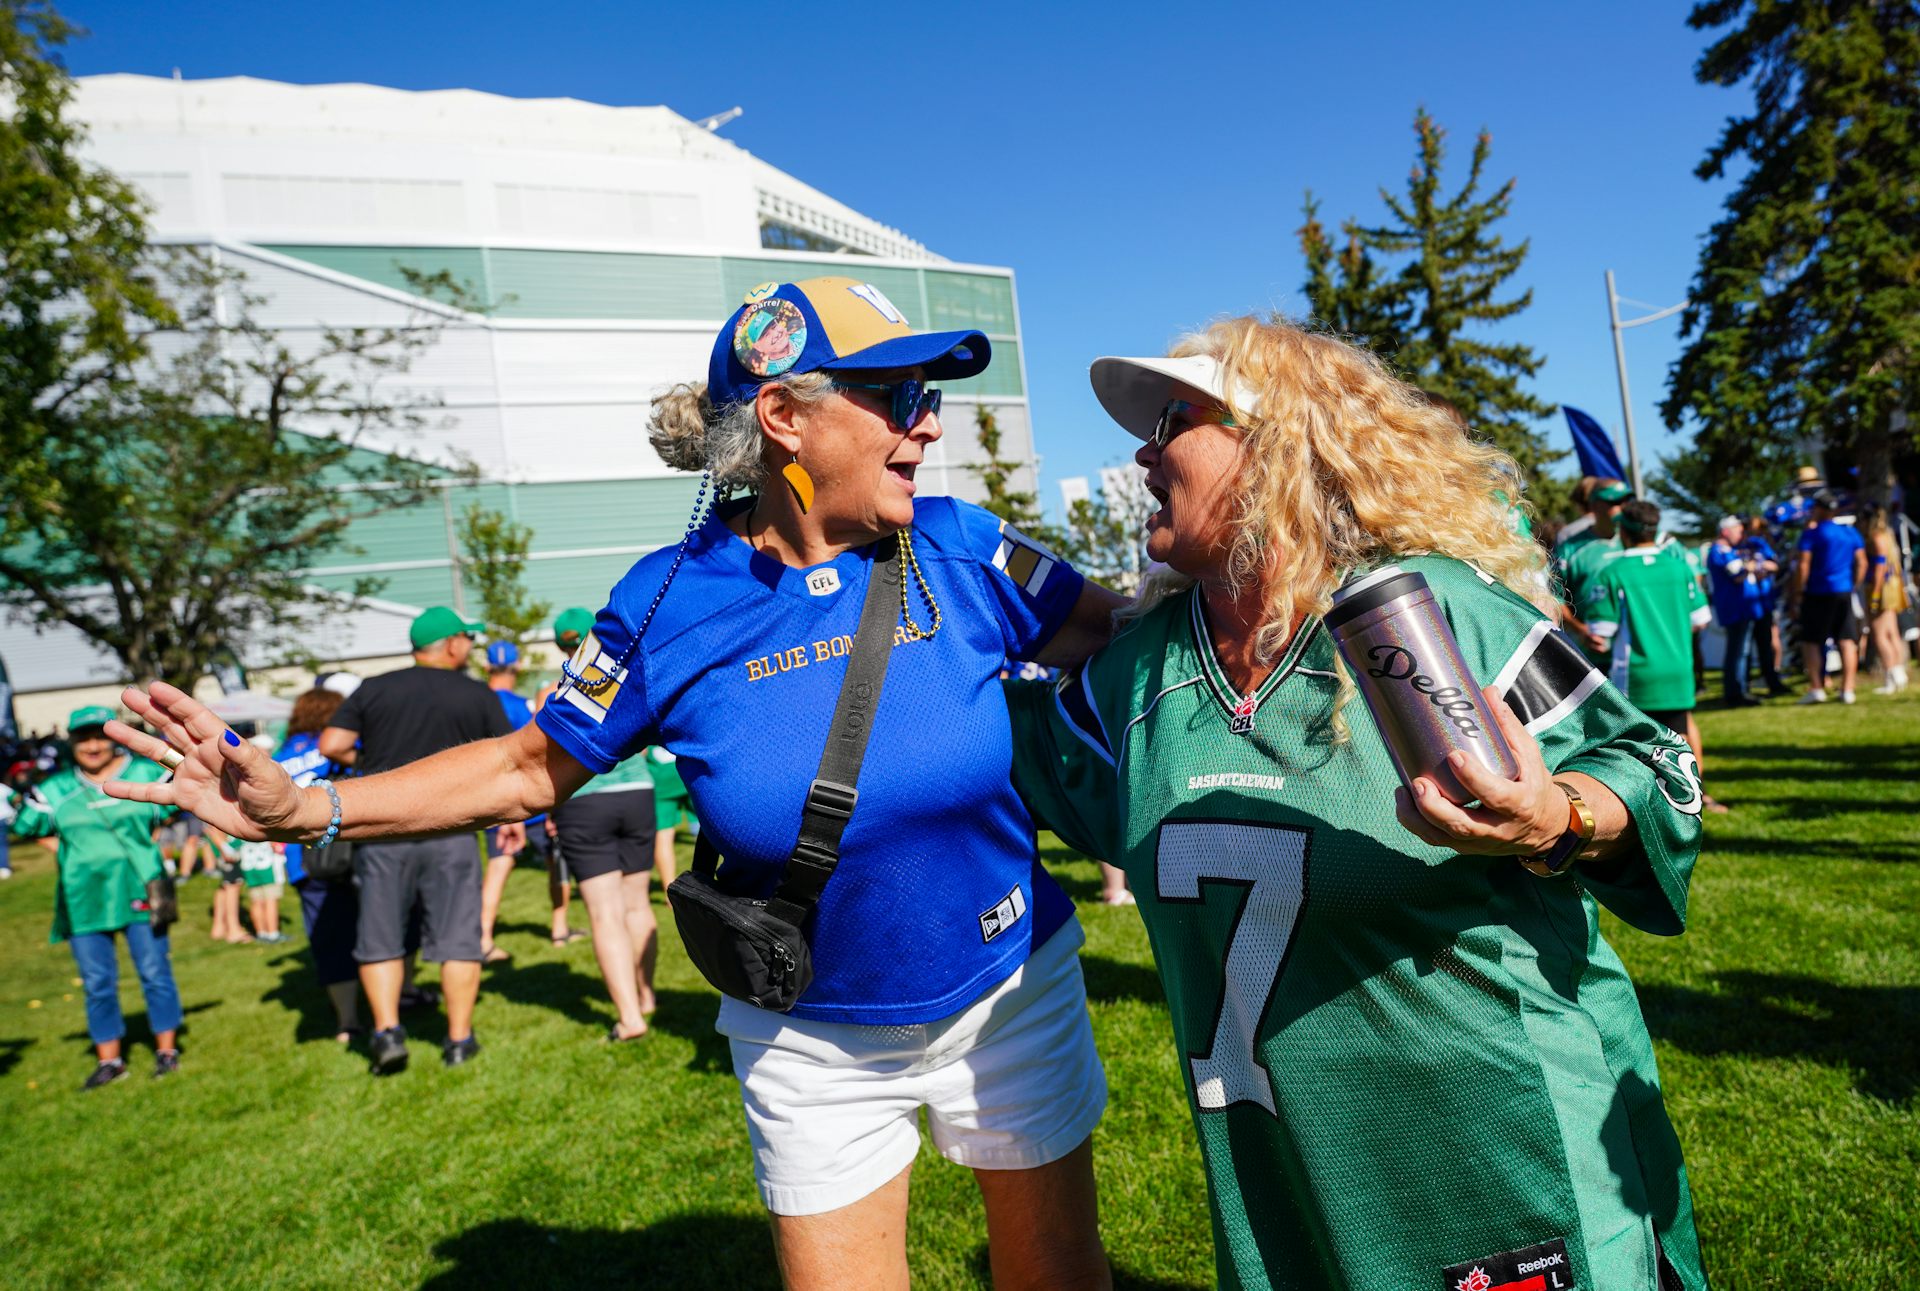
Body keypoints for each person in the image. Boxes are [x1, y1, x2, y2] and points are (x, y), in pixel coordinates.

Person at [104, 276, 1125, 1291]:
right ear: (784, 418)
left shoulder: (962, 544)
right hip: (808, 1033)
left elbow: (1124, 636)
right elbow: (523, 767)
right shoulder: (667, 598)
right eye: (900, 397)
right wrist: (306, 807)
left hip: (1012, 990)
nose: (930, 427)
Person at [1008, 318, 1710, 1291]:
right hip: (1290, 1182)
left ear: (1277, 445)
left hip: (1504, 1151)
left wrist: (1560, 815)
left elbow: (1652, 762)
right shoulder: (1141, 673)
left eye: (1173, 419)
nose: (1141, 449)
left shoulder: (1431, 615)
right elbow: (996, 757)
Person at [323, 606, 518, 1074]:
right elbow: (505, 761)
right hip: (450, 829)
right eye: (466, 640)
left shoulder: (375, 688)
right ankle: (458, 1040)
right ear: (451, 644)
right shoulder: (477, 694)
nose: (469, 648)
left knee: (380, 936)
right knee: (457, 937)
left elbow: (331, 744)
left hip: (382, 829)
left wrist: (367, 760)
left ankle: (387, 1032)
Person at [12, 706, 184, 1089]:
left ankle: (167, 1051)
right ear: (71, 741)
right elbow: (26, 825)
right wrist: (67, 851)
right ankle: (111, 1062)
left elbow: (176, 810)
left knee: (155, 972)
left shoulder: (144, 773)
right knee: (96, 981)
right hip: (83, 896)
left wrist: (151, 847)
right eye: (83, 737)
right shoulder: (55, 788)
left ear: (114, 738)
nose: (92, 745)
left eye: (100, 736)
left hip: (140, 890)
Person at [1583, 500, 1727, 814]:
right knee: (1683, 733)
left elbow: (1600, 634)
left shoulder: (1611, 572)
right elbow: (1700, 619)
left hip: (1636, 675)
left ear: (1623, 530)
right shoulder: (1679, 567)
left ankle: (1643, 807)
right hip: (1679, 669)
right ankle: (1695, 799)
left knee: (1635, 745)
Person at [274, 687, 363, 1042]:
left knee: (328, 938)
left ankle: (347, 1021)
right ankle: (389, 1002)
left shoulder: (280, 755)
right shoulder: (335, 746)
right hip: (344, 851)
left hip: (302, 861)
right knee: (368, 926)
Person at [479, 639, 574, 960]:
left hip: (493, 801)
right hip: (530, 801)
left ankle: (484, 938)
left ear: (487, 666)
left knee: (497, 870)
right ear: (517, 666)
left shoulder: (477, 703)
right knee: (555, 865)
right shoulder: (524, 706)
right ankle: (559, 929)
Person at [1795, 490, 1868, 704]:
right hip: (1843, 591)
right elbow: (1862, 563)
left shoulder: (1812, 534)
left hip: (1818, 592)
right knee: (1846, 640)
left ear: (1819, 509)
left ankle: (1816, 688)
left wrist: (1798, 591)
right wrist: (1853, 585)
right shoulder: (1849, 532)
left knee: (1811, 642)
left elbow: (1803, 564)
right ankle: (1847, 689)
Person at [1553, 478, 1631, 664]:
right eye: (1615, 502)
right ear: (1595, 506)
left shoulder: (1637, 542)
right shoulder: (1570, 548)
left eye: (1626, 501)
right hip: (1593, 657)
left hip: (1635, 657)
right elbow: (1554, 595)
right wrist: (1580, 629)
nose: (1623, 507)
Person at [1705, 515, 1781, 706]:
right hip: (1735, 609)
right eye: (1738, 530)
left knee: (1742, 652)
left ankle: (1740, 691)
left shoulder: (1728, 550)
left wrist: (1751, 566)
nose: (1741, 534)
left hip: (1745, 608)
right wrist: (1753, 565)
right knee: (1738, 652)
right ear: (1725, 531)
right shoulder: (1720, 551)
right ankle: (1735, 693)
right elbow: (1738, 575)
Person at [1859, 502, 1911, 693]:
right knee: (1892, 632)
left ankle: (1891, 675)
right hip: (1892, 586)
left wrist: (1874, 595)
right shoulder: (1888, 534)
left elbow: (1880, 568)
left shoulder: (1877, 537)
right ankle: (1898, 673)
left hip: (1882, 588)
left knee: (1880, 634)